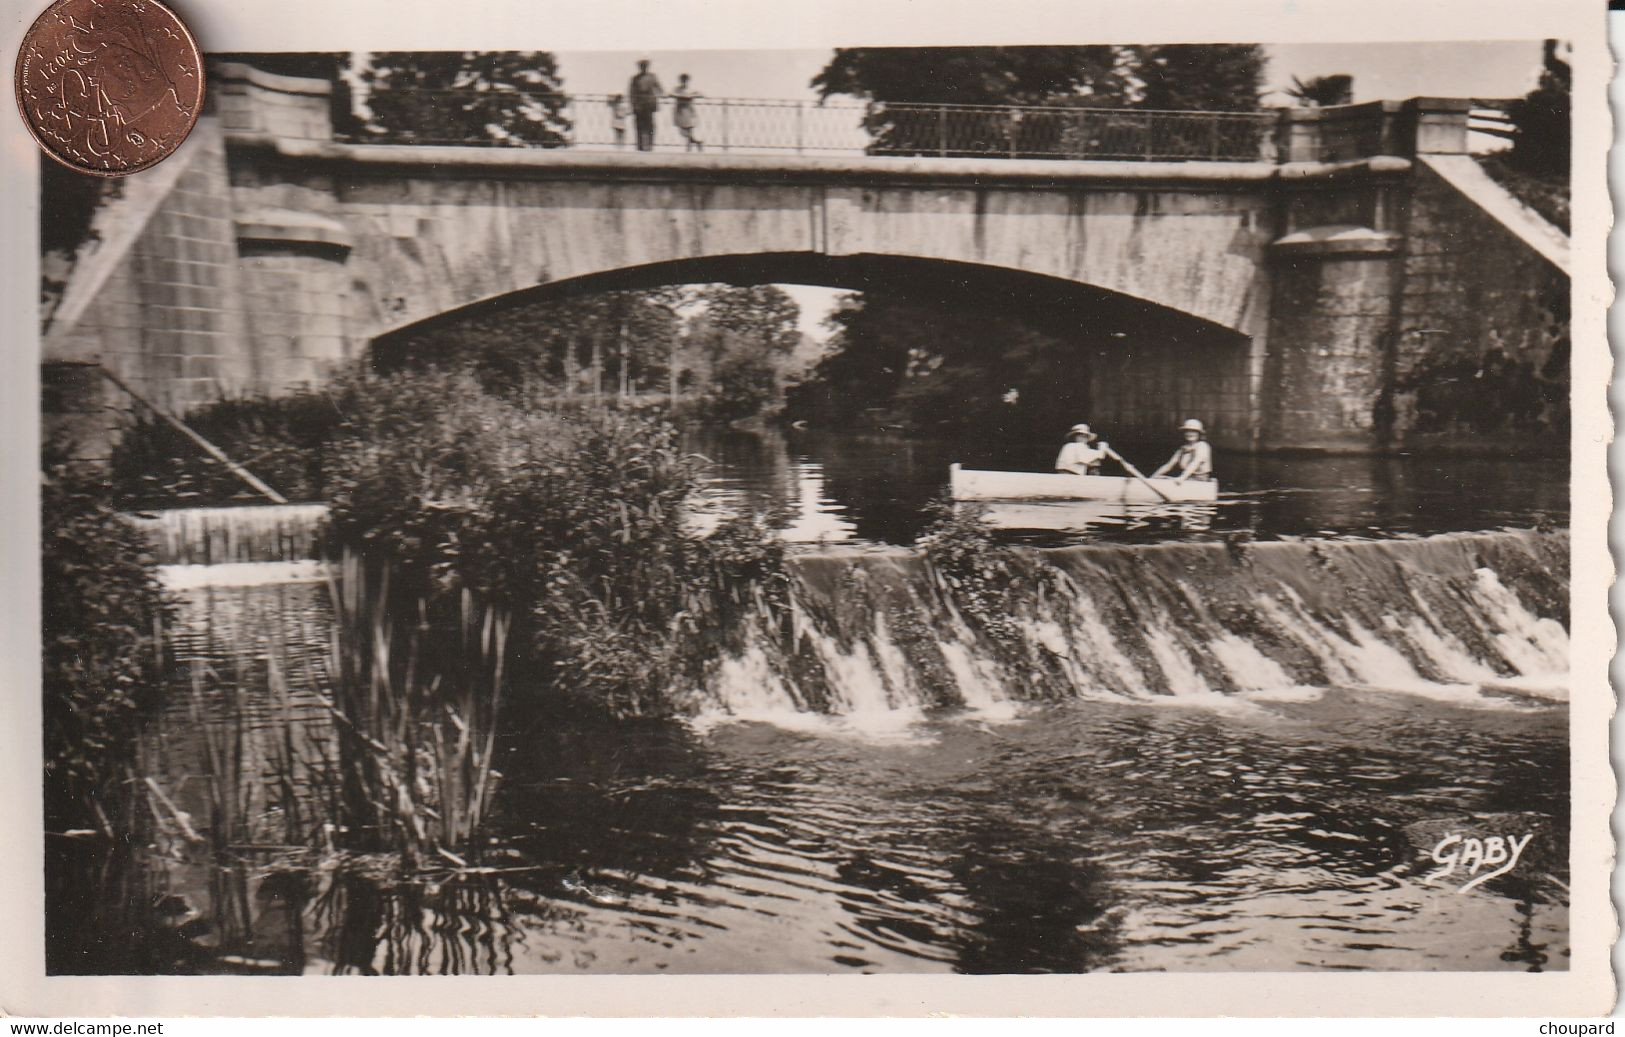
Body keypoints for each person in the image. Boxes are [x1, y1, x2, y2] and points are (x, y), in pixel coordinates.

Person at [1151, 418, 1214, 483]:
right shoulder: (1182, 449)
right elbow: (1169, 465)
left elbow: (1195, 463)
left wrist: (1182, 477)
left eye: (1193, 431)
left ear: (1199, 433)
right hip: (1187, 479)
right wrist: (1153, 477)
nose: (1190, 433)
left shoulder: (1203, 446)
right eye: (1187, 431)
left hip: (1200, 482)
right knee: (1162, 479)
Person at [628, 59, 664, 151]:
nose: (643, 67)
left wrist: (659, 96)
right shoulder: (635, 78)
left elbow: (660, 89)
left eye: (645, 66)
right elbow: (631, 93)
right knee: (639, 127)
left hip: (649, 105)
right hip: (639, 105)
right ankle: (639, 146)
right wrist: (633, 105)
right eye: (642, 66)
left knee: (650, 127)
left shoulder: (652, 77)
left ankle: (650, 146)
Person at [671, 74, 703, 152]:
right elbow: (670, 94)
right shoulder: (677, 89)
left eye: (685, 80)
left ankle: (689, 149)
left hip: (689, 111)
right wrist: (682, 96)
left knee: (689, 130)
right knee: (682, 132)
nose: (684, 82)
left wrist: (691, 95)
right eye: (682, 80)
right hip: (681, 112)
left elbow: (701, 94)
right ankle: (697, 142)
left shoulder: (690, 90)